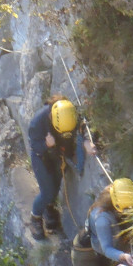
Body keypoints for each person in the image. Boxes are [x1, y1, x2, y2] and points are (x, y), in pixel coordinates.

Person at [27, 97, 95, 240]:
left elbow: (83, 126)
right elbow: (35, 147)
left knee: (56, 185)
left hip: (58, 153)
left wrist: (87, 141)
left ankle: (49, 207)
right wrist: (47, 145)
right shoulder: (38, 123)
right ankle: (35, 217)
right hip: (42, 157)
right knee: (47, 191)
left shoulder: (69, 113)